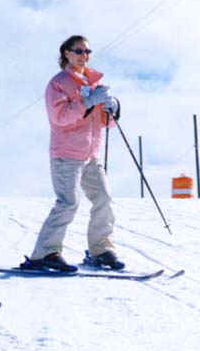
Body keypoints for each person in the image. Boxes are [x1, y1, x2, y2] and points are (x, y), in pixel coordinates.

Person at [22, 35, 125, 273]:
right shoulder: (58, 84)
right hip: (66, 154)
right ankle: (45, 253)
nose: (84, 56)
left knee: (104, 199)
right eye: (79, 51)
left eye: (87, 51)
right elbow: (60, 118)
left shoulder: (92, 82)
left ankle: (100, 250)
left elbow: (103, 123)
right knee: (68, 203)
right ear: (66, 53)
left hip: (90, 154)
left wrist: (112, 108)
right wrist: (87, 103)